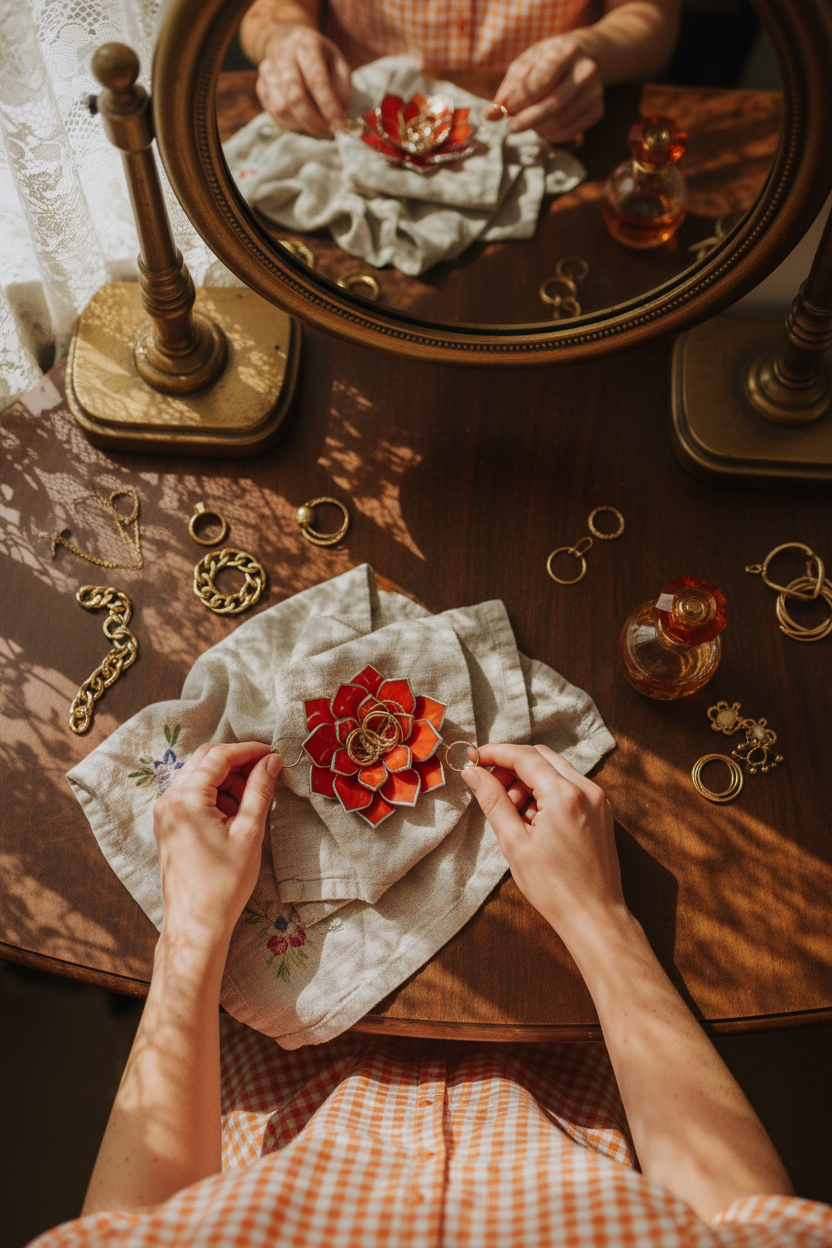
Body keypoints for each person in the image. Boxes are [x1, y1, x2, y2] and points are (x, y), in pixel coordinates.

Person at [29, 737, 831, 1246]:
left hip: (273, 1072)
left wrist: (194, 924)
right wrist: (600, 916)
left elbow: (124, 1228)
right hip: (584, 1069)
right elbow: (743, 1216)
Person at [239, 0, 682, 143]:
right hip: (351, 124)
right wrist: (283, 39)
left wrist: (593, 50)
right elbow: (268, 8)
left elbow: (650, 16)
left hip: (548, 125)